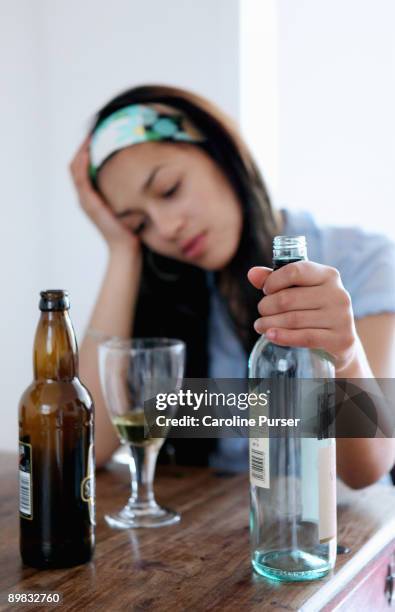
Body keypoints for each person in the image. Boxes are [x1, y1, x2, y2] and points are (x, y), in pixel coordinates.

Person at [70, 84, 395, 488]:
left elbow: (365, 472)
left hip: (340, 537)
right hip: (220, 535)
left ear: (221, 154)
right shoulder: (171, 289)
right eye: (140, 224)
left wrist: (342, 354)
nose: (166, 229)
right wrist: (121, 249)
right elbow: (89, 448)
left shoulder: (360, 258)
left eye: (169, 189)